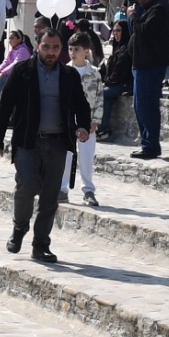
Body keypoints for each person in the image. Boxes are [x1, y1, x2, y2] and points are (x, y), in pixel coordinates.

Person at [0, 27, 96, 261]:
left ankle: (41, 244)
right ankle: (20, 227)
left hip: (57, 143)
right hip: (28, 141)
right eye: (46, 47)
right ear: (38, 46)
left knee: (50, 196)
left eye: (56, 47)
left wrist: (83, 127)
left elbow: (82, 105)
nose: (51, 52)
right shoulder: (22, 72)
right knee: (26, 185)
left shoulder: (69, 76)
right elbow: (5, 107)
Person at [126, 0, 169, 159]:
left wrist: (132, 17)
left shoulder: (159, 9)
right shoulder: (149, 9)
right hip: (142, 63)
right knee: (140, 106)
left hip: (151, 64)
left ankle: (151, 145)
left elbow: (143, 31)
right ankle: (146, 142)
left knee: (147, 106)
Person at [66, 31, 104, 210]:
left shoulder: (94, 74)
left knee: (86, 156)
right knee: (66, 155)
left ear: (86, 51)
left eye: (77, 49)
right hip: (67, 120)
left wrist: (95, 120)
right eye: (70, 49)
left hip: (87, 122)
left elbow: (99, 98)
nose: (72, 53)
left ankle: (88, 190)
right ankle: (62, 188)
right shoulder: (65, 71)